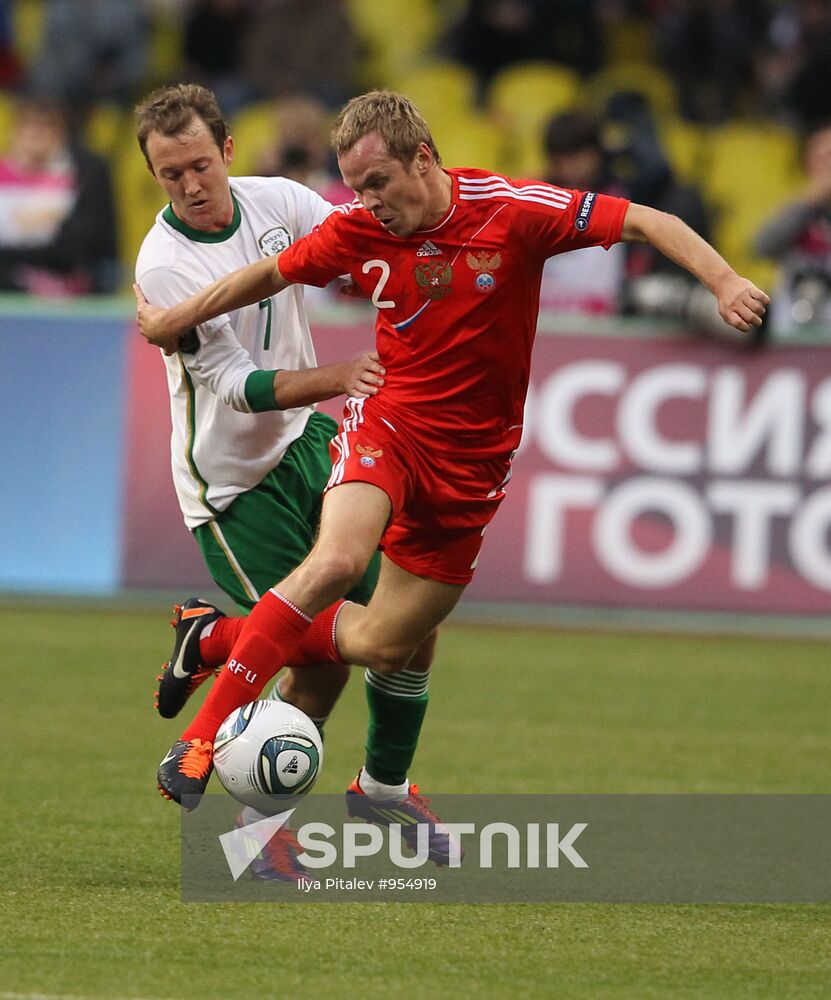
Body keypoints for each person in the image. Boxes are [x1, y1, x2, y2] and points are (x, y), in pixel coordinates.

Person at [135, 90, 768, 814]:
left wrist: (723, 280)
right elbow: (268, 277)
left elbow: (646, 221)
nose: (366, 204)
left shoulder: (514, 211)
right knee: (336, 564)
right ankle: (202, 740)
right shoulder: (354, 229)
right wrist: (177, 319)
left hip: (472, 465)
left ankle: (352, 765)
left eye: (377, 184)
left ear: (424, 158)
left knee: (390, 643)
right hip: (387, 426)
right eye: (355, 188)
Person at [133, 84, 448, 873]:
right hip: (233, 488)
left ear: (228, 151)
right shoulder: (164, 266)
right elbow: (236, 386)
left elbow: (357, 233)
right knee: (322, 657)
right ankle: (252, 833)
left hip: (306, 447)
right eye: (171, 175)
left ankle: (381, 783)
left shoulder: (278, 200)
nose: (190, 185)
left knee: (409, 621)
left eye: (199, 165)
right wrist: (341, 374)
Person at [0, 96, 119, 294]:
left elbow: (75, 248)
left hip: (67, 285)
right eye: (29, 126)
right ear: (15, 131)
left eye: (46, 127)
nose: (36, 135)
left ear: (61, 133)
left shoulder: (85, 177)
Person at [754, 118, 831, 335]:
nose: (827, 166)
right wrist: (810, 201)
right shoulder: (795, 207)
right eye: (821, 157)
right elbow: (762, 246)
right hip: (791, 330)